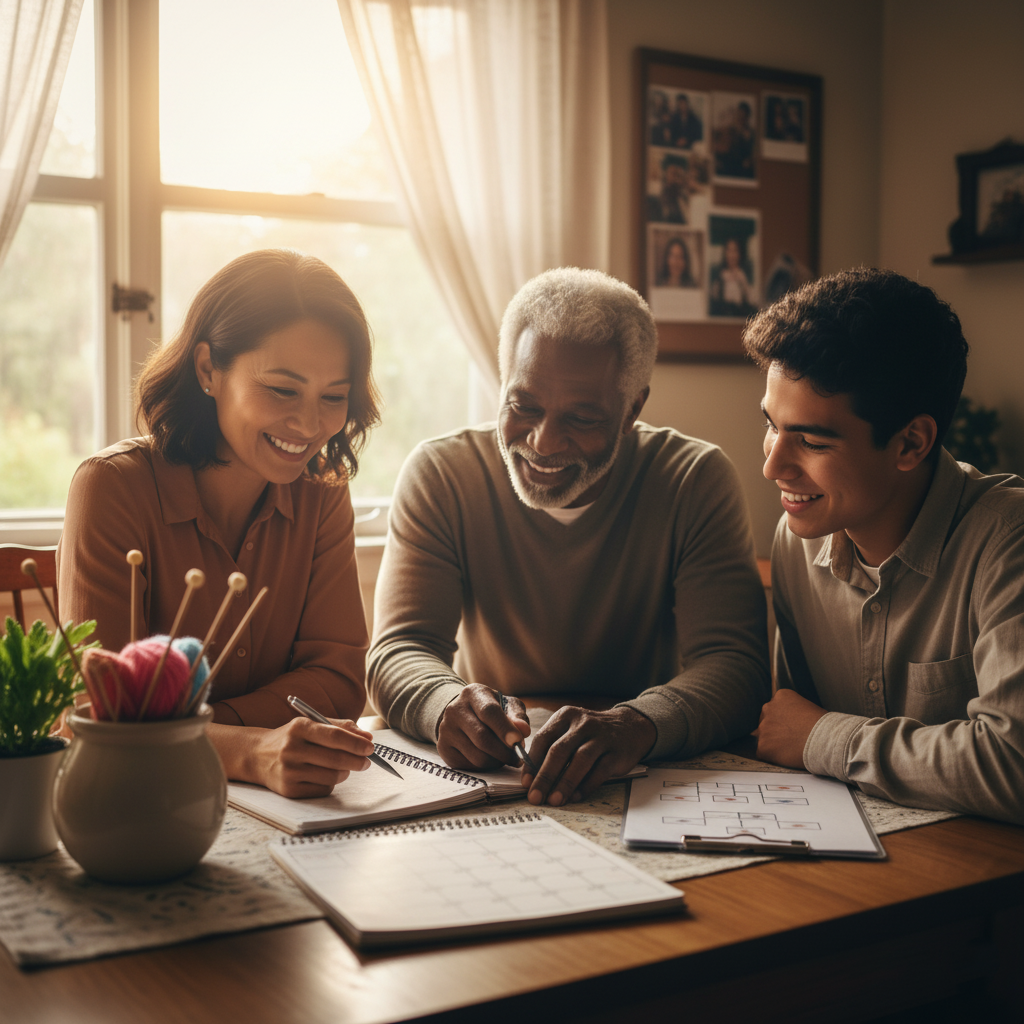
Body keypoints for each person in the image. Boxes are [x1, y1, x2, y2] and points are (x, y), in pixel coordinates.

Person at [369, 268, 770, 807]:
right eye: (523, 406)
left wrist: (636, 723)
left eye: (581, 418)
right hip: (496, 773)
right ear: (503, 381)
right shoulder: (442, 474)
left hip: (636, 774)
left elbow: (735, 668)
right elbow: (400, 647)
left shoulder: (692, 478)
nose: (543, 442)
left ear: (632, 411)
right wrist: (444, 704)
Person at [58, 249, 382, 798]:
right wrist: (249, 748)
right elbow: (94, 717)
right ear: (208, 369)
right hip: (131, 800)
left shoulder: (323, 493)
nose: (309, 424)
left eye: (334, 397)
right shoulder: (110, 488)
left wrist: (192, 729)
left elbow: (339, 681)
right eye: (283, 389)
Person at [743, 268, 1024, 825]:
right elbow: (787, 732)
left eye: (812, 440)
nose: (772, 464)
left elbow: (1014, 765)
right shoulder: (799, 539)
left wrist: (827, 738)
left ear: (911, 443)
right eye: (771, 425)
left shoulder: (1006, 541)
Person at [709, 236, 757, 317]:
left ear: (740, 253)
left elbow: (753, 302)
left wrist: (743, 282)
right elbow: (713, 299)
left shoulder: (745, 275)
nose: (732, 255)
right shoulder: (718, 273)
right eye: (729, 250)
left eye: (735, 251)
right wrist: (721, 281)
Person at [646, 153, 690, 224]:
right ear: (665, 174)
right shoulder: (653, 200)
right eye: (673, 174)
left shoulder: (684, 201)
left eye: (680, 176)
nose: (676, 180)